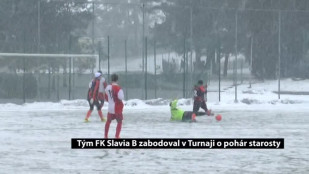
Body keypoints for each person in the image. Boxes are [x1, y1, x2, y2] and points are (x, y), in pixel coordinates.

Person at [104, 74, 124, 139]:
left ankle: (105, 135)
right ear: (117, 79)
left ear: (111, 79)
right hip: (117, 108)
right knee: (119, 122)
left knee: (108, 121)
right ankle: (117, 136)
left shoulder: (107, 87)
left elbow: (106, 97)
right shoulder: (118, 88)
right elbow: (121, 97)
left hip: (110, 108)